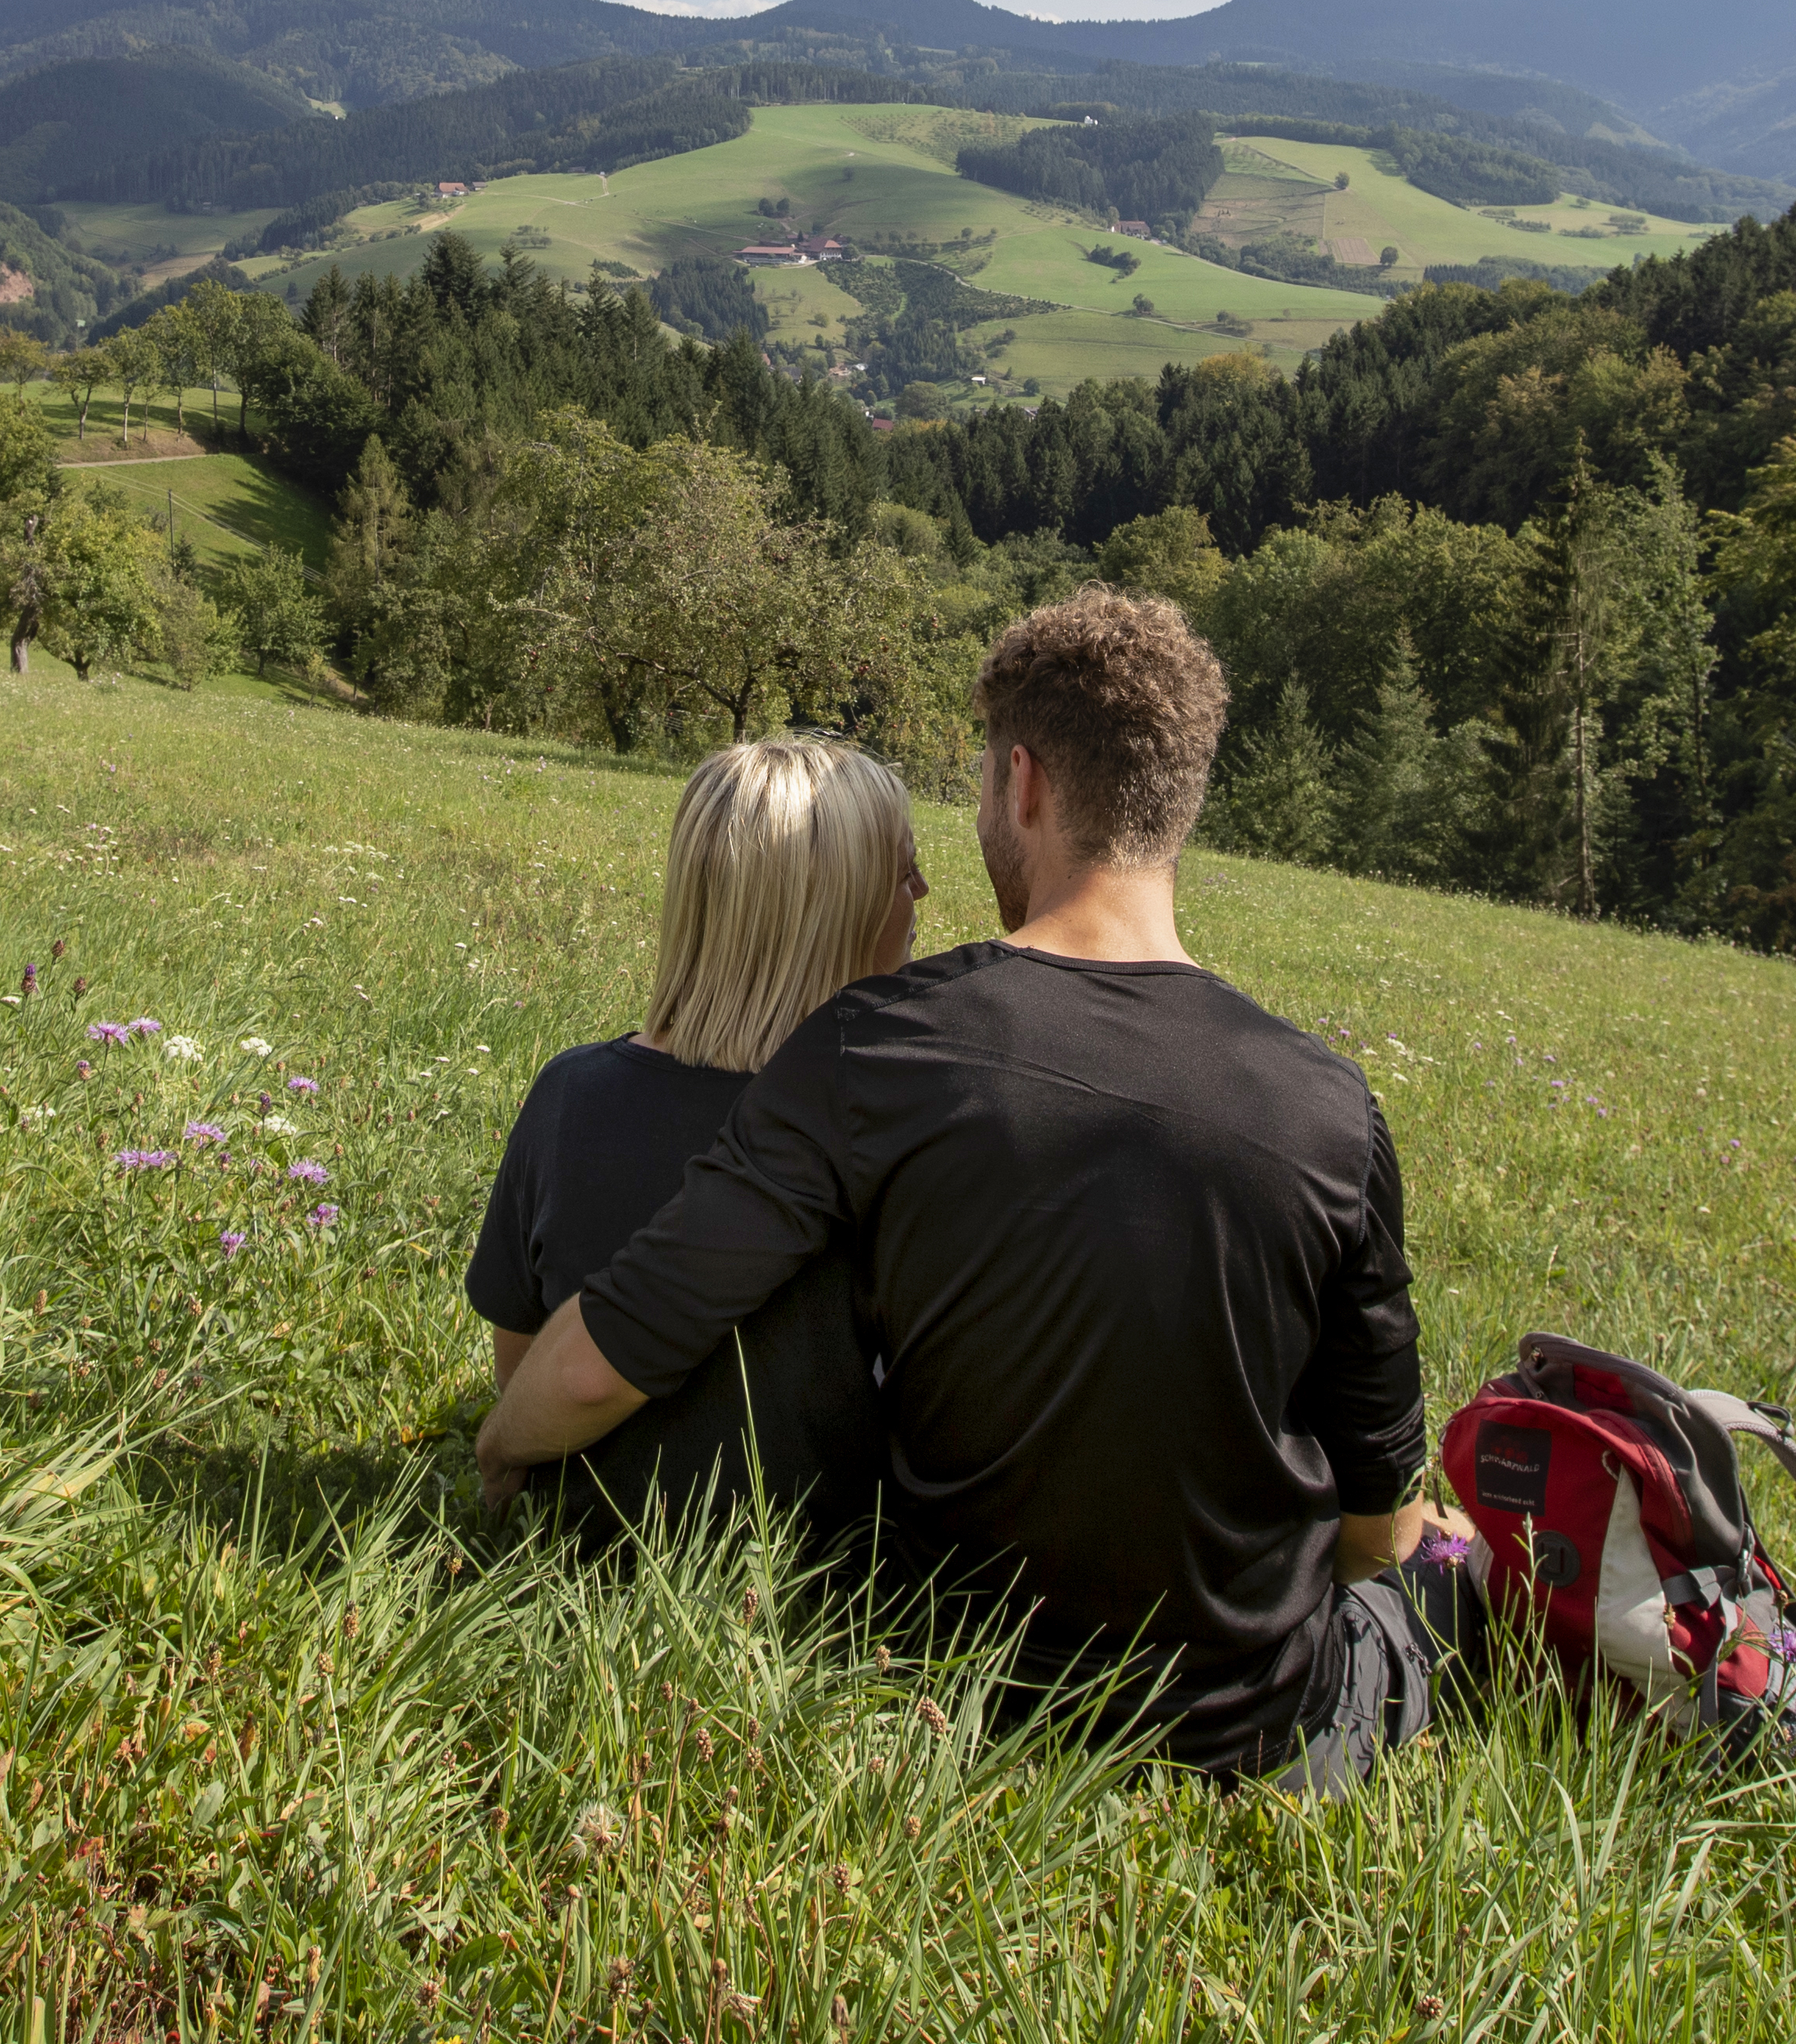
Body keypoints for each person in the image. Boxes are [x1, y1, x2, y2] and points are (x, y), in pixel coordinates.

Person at [477, 591, 1470, 1790]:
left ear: (1024, 785)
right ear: (1181, 806)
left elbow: (626, 1334)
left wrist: (499, 1452)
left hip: (950, 1690)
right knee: (1449, 1575)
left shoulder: (881, 1050)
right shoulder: (1334, 1108)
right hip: (1258, 1735)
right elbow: (1372, 1532)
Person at [462, 735, 921, 1536]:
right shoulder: (898, 1125)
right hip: (832, 1589)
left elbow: (518, 1367)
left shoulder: (570, 1094)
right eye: (901, 870)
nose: (922, 890)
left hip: (576, 1547)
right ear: (834, 910)